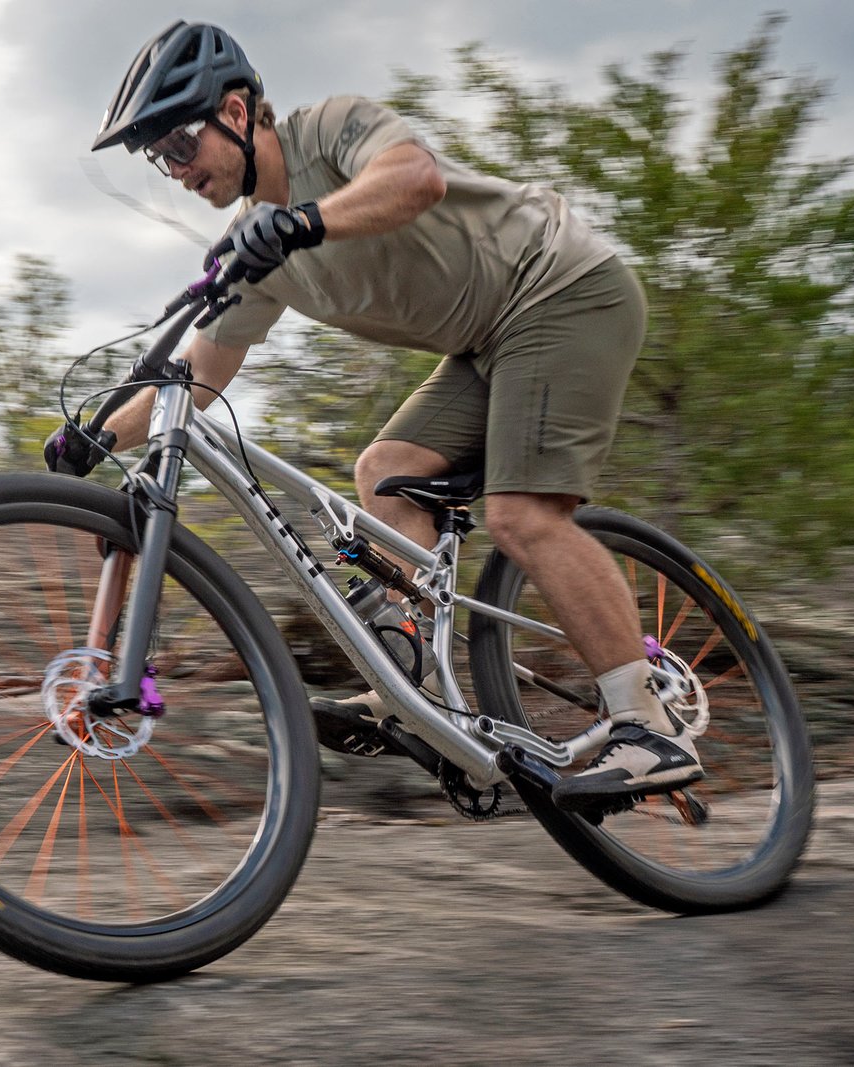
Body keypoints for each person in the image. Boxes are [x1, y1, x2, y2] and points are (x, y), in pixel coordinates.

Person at [50, 20, 700, 807]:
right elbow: (200, 372)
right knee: (386, 472)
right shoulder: (254, 246)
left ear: (237, 111)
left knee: (522, 514)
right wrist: (96, 435)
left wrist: (305, 221)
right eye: (160, 156)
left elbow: (416, 177)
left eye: (182, 143)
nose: (175, 169)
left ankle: (648, 723)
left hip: (562, 287)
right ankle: (411, 690)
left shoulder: (328, 131)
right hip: (487, 342)